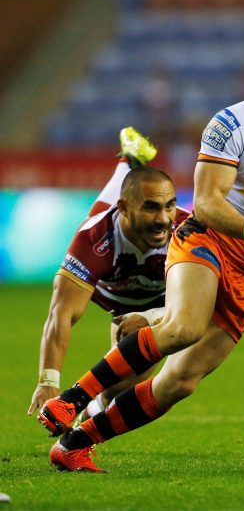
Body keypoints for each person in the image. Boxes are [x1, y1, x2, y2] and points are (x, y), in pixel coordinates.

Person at [37, 28, 244, 472]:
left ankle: (76, 443)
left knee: (180, 381)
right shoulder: (233, 124)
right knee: (184, 328)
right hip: (209, 238)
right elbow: (208, 201)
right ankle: (72, 399)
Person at [28, 127, 189, 423]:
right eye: (152, 208)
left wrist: (151, 317)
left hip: (162, 301)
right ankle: (128, 159)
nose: (163, 219)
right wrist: (48, 379)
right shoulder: (94, 240)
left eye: (169, 206)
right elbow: (61, 314)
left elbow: (202, 302)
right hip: (116, 296)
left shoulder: (186, 231)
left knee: (123, 385)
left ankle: (82, 424)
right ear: (124, 209)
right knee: (100, 213)